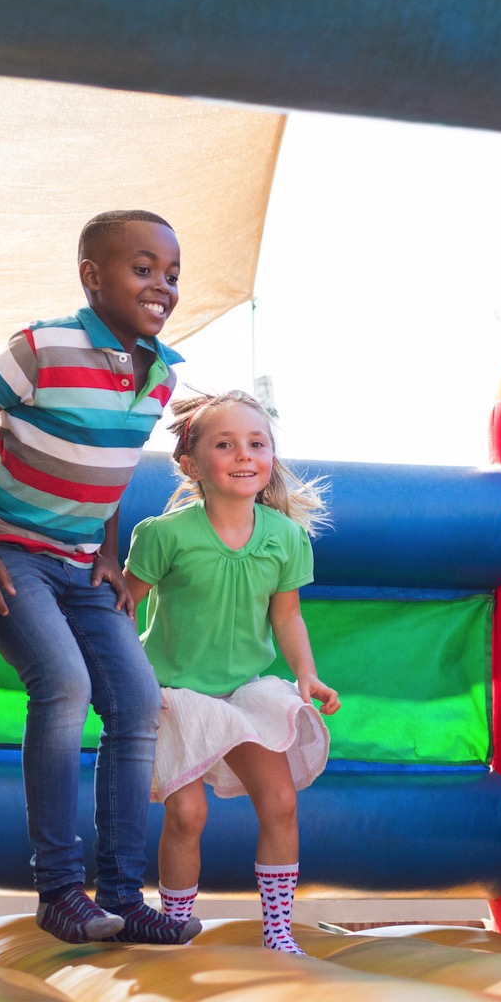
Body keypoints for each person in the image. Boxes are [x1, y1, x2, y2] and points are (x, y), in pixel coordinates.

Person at [0, 210, 195, 945]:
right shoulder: (43, 346)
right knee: (63, 684)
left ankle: (121, 894)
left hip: (80, 563)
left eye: (173, 274)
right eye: (143, 268)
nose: (162, 285)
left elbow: (108, 472)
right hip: (7, 548)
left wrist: (111, 556)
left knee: (138, 700)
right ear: (92, 276)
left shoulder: (161, 374)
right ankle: (60, 888)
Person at [125, 391, 339, 955]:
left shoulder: (284, 537)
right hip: (175, 690)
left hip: (245, 689)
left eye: (257, 443)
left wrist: (306, 676)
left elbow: (287, 616)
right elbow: (122, 607)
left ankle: (277, 930)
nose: (244, 456)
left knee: (280, 802)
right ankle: (175, 923)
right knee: (188, 813)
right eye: (225, 445)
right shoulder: (164, 535)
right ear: (192, 465)